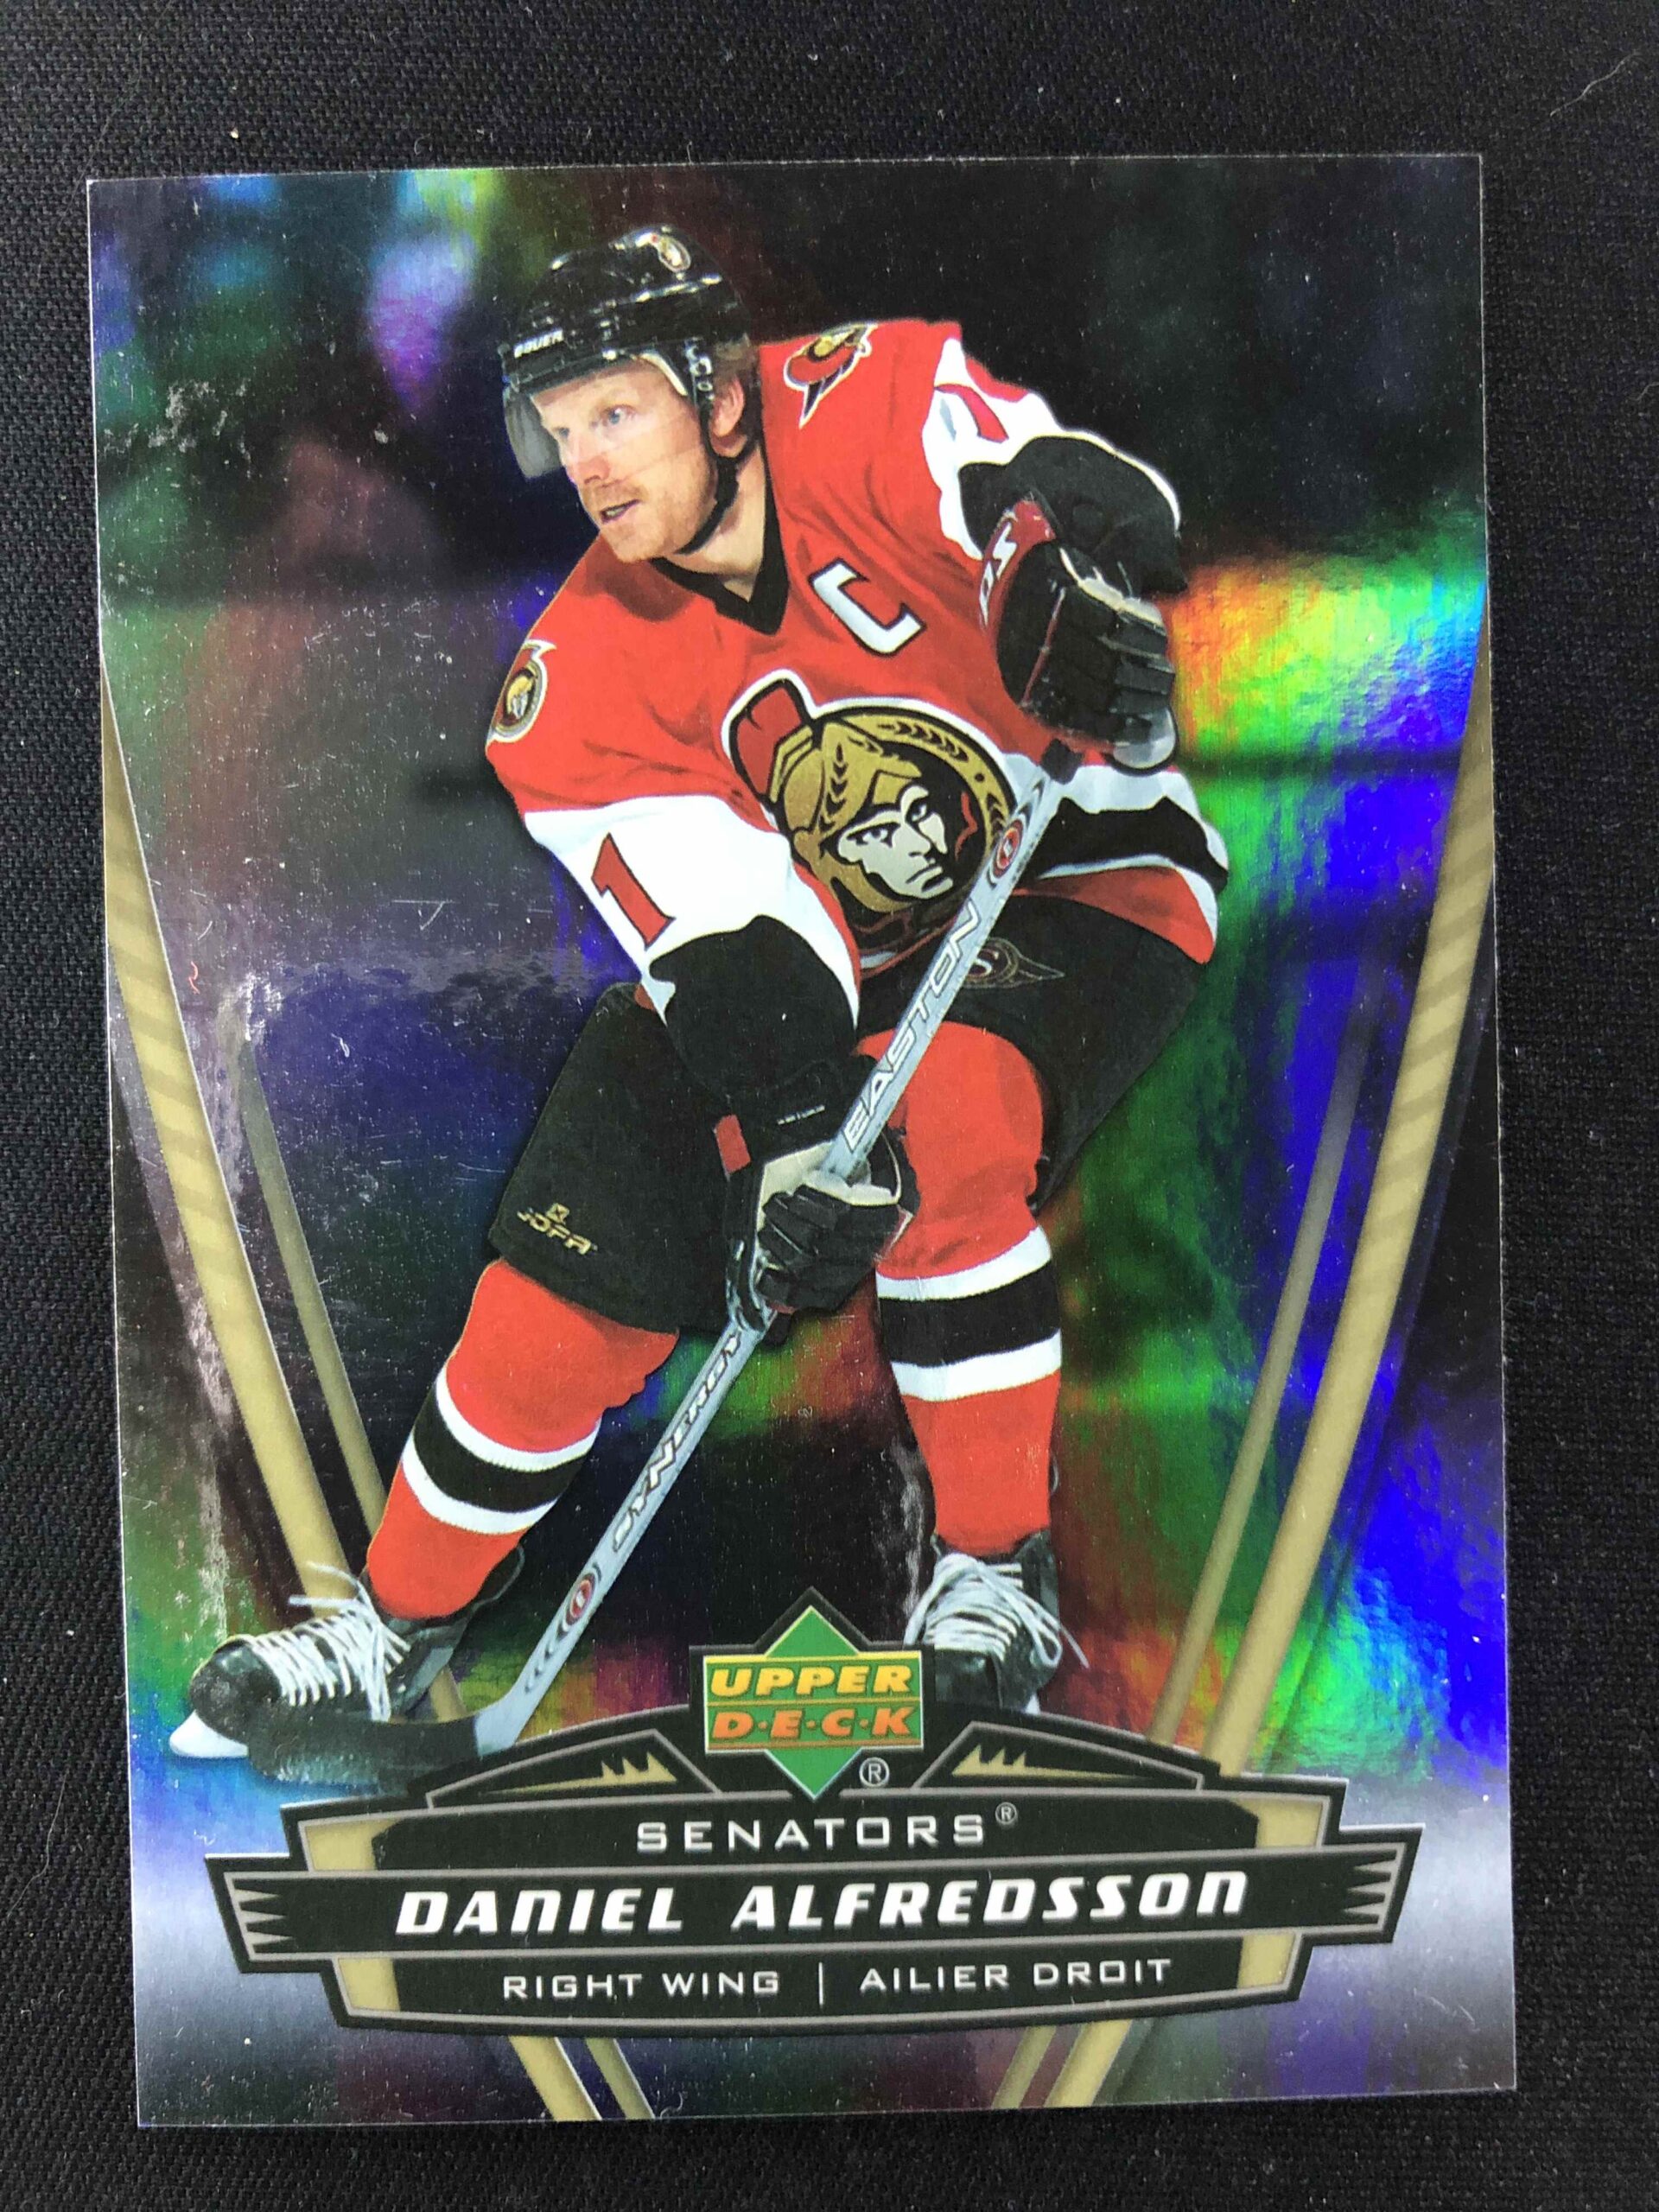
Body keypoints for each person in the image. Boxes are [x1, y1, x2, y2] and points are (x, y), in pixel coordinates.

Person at [175, 223, 1227, 1756]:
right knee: (570, 1253)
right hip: (828, 961)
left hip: (1075, 875)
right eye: (561, 428)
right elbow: (731, 937)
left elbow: (1037, 492)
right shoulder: (571, 691)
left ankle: (994, 1577)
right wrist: (793, 1133)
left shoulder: (870, 399)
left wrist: (1073, 587)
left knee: (943, 1113)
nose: (588, 463)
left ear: (721, 397)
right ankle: (392, 1628)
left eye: (617, 411)